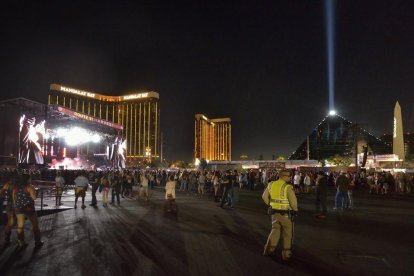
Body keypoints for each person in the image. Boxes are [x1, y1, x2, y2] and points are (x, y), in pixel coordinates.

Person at [262, 170, 298, 261]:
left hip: (274, 213)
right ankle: (286, 254)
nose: (290, 178)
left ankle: (268, 249)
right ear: (284, 176)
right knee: (288, 234)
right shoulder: (287, 187)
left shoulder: (271, 184)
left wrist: (270, 204)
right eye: (289, 176)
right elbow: (293, 202)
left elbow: (264, 196)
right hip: (285, 214)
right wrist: (295, 210)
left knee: (274, 230)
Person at [13, 173, 43, 247]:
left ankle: (21, 242)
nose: (31, 179)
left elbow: (14, 199)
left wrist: (17, 207)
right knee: (35, 225)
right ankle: (37, 241)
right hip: (29, 208)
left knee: (20, 225)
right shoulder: (29, 187)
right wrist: (37, 192)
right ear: (27, 179)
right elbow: (34, 198)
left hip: (19, 208)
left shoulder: (15, 188)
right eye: (30, 178)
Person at [0, 172, 17, 245]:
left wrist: (4, 196)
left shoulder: (8, 184)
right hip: (15, 205)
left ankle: (8, 237)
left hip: (10, 204)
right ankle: (18, 238)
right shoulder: (17, 184)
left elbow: (1, 193)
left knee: (11, 221)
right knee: (13, 221)